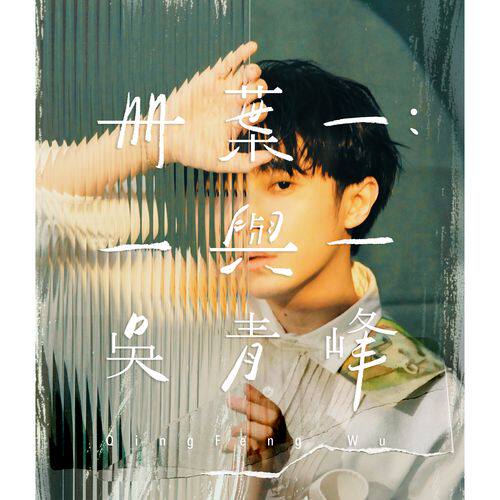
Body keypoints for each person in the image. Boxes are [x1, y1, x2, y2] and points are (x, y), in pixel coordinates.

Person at [36, 41, 463, 499]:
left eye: (282, 184)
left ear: (356, 202)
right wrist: (154, 137)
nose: (246, 220)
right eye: (228, 190)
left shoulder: (430, 406)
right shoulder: (175, 305)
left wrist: (278, 480)